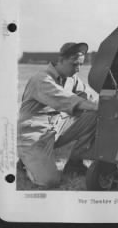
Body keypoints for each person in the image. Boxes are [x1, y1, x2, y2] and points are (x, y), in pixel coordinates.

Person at [17, 42, 98, 188]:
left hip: (56, 128)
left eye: (80, 64)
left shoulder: (72, 79)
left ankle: (75, 163)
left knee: (96, 116)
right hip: (33, 134)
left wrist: (109, 101)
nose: (78, 69)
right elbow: (67, 100)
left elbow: (89, 98)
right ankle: (24, 162)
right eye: (74, 64)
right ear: (60, 60)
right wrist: (95, 106)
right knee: (49, 181)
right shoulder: (41, 79)